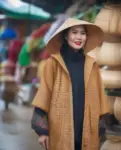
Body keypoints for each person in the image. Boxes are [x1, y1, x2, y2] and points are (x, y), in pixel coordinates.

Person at [31, 18, 110, 150]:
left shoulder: (92, 64)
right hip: (60, 128)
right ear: (66, 36)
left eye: (83, 33)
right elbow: (44, 95)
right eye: (74, 32)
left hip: (87, 128)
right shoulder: (53, 63)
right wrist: (43, 132)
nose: (79, 37)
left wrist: (99, 128)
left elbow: (100, 97)